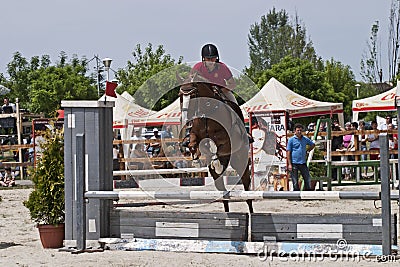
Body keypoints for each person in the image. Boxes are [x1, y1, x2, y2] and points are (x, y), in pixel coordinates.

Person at [287, 123, 315, 191]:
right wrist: (289, 164)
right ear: (295, 131)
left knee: (307, 178)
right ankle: (296, 195)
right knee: (295, 181)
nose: (299, 132)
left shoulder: (305, 139)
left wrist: (307, 150)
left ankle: (308, 193)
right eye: (298, 130)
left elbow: (313, 144)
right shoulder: (291, 140)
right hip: (294, 162)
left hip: (302, 162)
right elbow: (288, 152)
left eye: (300, 130)